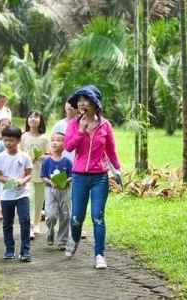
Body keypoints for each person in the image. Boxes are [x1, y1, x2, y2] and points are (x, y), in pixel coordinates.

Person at [64, 85, 121, 269]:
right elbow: (68, 147)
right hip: (79, 177)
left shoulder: (105, 126)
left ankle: (99, 255)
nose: (80, 103)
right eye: (79, 100)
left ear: (94, 103)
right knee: (76, 218)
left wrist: (117, 171)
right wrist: (80, 130)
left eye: (85, 99)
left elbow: (111, 151)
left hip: (100, 177)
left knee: (98, 216)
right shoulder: (73, 124)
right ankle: (74, 239)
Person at [0, 125, 33, 262]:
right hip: (7, 195)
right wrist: (10, 181)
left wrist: (22, 181)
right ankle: (9, 249)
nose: (8, 143)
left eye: (11, 140)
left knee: (25, 221)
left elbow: (29, 174)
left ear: (18, 140)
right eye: (5, 140)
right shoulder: (0, 157)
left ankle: (25, 251)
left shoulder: (24, 156)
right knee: (7, 223)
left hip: (23, 194)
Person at [51, 99, 88, 239]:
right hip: (62, 166)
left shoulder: (85, 123)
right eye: (68, 102)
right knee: (63, 199)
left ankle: (78, 227)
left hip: (80, 165)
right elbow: (52, 145)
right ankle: (64, 227)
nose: (70, 106)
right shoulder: (59, 125)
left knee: (78, 199)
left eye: (73, 104)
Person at [20, 110, 50, 240]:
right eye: (30, 117)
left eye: (36, 117)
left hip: (42, 174)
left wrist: (43, 157)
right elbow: (19, 154)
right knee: (30, 199)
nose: (33, 119)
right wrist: (27, 160)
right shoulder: (23, 137)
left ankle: (37, 223)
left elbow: (49, 155)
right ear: (27, 120)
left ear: (41, 121)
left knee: (39, 200)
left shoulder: (44, 138)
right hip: (28, 174)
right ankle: (31, 225)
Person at [40, 132, 72, 250]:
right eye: (53, 140)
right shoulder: (47, 161)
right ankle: (50, 232)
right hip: (50, 191)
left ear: (65, 145)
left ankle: (62, 241)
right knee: (51, 216)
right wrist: (50, 182)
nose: (55, 142)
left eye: (59, 140)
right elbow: (43, 176)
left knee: (65, 215)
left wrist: (65, 181)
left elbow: (72, 176)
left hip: (65, 191)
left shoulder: (67, 162)